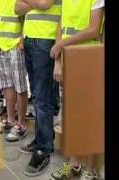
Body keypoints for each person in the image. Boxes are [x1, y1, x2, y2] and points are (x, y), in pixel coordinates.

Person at [49, 0, 104, 179]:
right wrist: (58, 61)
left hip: (89, 59)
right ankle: (74, 166)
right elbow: (61, 27)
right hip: (68, 60)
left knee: (91, 119)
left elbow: (93, 29)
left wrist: (61, 45)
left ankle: (91, 170)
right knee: (71, 118)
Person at [15, 0, 62, 176]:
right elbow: (16, 8)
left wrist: (30, 3)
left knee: (43, 98)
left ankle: (44, 148)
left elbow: (45, 4)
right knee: (37, 96)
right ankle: (42, 137)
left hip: (46, 40)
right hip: (30, 40)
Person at [0, 0, 28, 143]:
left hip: (15, 44)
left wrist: (23, 39)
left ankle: (21, 124)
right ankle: (10, 120)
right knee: (7, 85)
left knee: (20, 86)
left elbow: (27, 13)